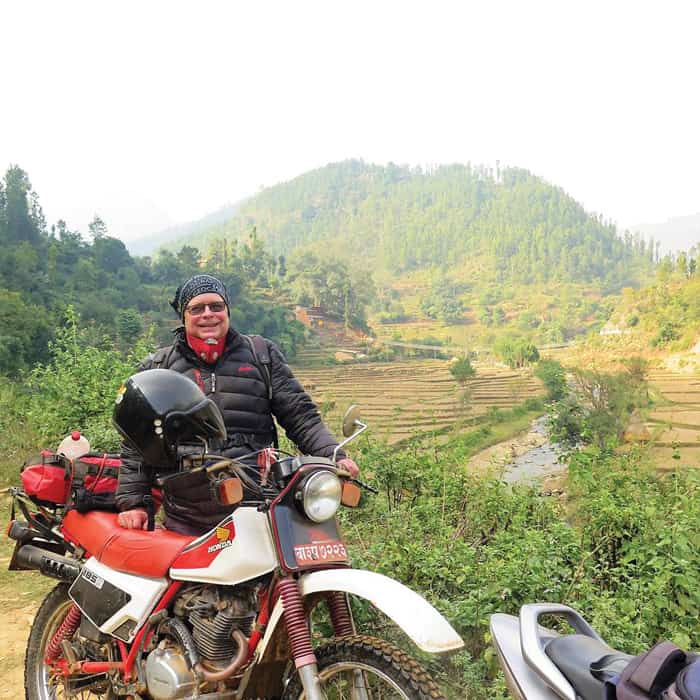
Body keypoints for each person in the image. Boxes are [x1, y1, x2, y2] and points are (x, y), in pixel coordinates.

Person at [116, 273, 359, 534]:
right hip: (187, 519)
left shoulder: (261, 355)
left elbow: (300, 416)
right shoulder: (158, 369)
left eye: (216, 306)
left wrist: (334, 454)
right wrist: (133, 503)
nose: (208, 314)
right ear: (183, 316)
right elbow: (136, 444)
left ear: (227, 311)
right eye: (196, 308)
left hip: (259, 510)